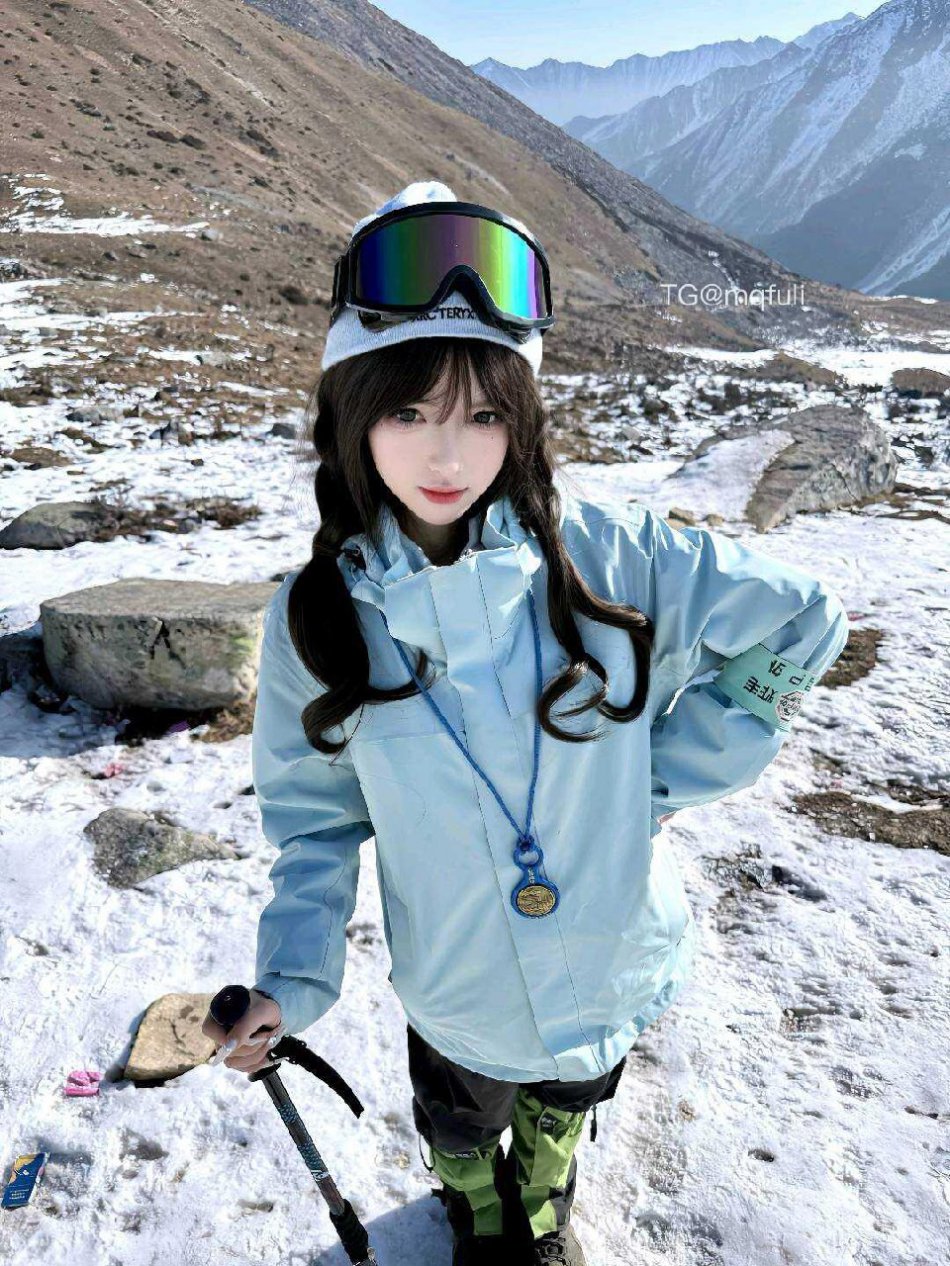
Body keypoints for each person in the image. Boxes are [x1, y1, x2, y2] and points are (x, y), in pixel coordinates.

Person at [202, 181, 851, 1265]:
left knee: (572, 1094)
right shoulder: (318, 619)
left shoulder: (619, 559)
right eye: (408, 412)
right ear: (350, 411)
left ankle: (542, 1198)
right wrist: (289, 981)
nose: (445, 459)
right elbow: (315, 826)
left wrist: (656, 782)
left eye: (483, 414)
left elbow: (804, 620)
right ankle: (477, 1206)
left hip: (611, 955)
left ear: (524, 415)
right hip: (457, 986)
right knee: (461, 1121)